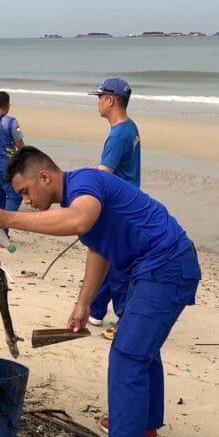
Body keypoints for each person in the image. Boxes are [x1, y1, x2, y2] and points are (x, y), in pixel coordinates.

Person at [0, 146, 200, 437]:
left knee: (127, 358)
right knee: (139, 350)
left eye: (26, 192)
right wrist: (83, 302)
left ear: (44, 177)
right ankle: (146, 428)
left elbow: (80, 223)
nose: (25, 201)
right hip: (148, 268)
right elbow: (98, 247)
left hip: (166, 267)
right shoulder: (76, 196)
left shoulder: (85, 184)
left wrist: (6, 218)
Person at [87, 77, 141, 339]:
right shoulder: (128, 127)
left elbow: (105, 175)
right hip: (125, 201)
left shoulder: (119, 134)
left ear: (110, 100)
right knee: (105, 257)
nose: (97, 103)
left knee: (118, 266)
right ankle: (96, 310)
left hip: (119, 208)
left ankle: (125, 322)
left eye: (100, 98)